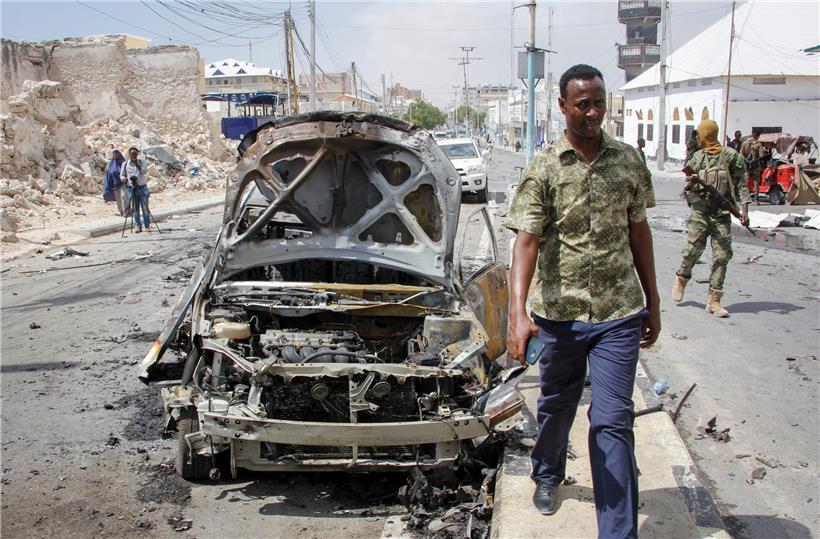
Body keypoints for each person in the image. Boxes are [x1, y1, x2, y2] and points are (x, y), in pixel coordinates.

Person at [505, 64, 659, 538]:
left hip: (619, 313)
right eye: (583, 104)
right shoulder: (546, 168)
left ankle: (617, 532)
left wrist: (653, 299)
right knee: (556, 405)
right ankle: (547, 473)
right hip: (560, 316)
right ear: (562, 107)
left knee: (612, 420)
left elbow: (639, 231)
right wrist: (517, 316)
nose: (593, 112)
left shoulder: (629, 161)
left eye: (599, 102)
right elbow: (526, 243)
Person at [672, 119, 751, 317]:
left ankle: (714, 300)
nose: (698, 137)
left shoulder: (731, 156)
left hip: (721, 213)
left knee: (722, 256)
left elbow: (742, 184)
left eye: (700, 134)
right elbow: (687, 182)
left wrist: (744, 211)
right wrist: (691, 184)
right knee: (692, 250)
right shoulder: (698, 157)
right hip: (700, 211)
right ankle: (682, 278)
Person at [121, 147, 151, 232]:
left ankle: (147, 225)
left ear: (137, 154)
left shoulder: (141, 162)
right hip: (131, 188)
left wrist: (137, 165)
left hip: (142, 187)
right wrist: (123, 179)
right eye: (132, 154)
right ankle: (138, 225)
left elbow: (144, 171)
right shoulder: (125, 164)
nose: (134, 155)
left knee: (145, 207)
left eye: (135, 154)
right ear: (129, 155)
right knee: (134, 208)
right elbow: (122, 175)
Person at [740, 129, 765, 204]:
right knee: (756, 182)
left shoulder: (745, 143)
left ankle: (745, 199)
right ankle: (756, 200)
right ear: (758, 136)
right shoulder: (759, 144)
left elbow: (741, 154)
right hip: (756, 166)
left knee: (746, 182)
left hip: (746, 166)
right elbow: (761, 155)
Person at [103, 149, 126, 215]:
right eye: (114, 154)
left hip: (123, 183)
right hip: (115, 183)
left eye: (116, 153)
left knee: (124, 197)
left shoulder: (123, 162)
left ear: (119, 154)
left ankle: (126, 211)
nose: (115, 155)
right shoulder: (112, 163)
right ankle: (121, 211)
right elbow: (109, 172)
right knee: (118, 198)